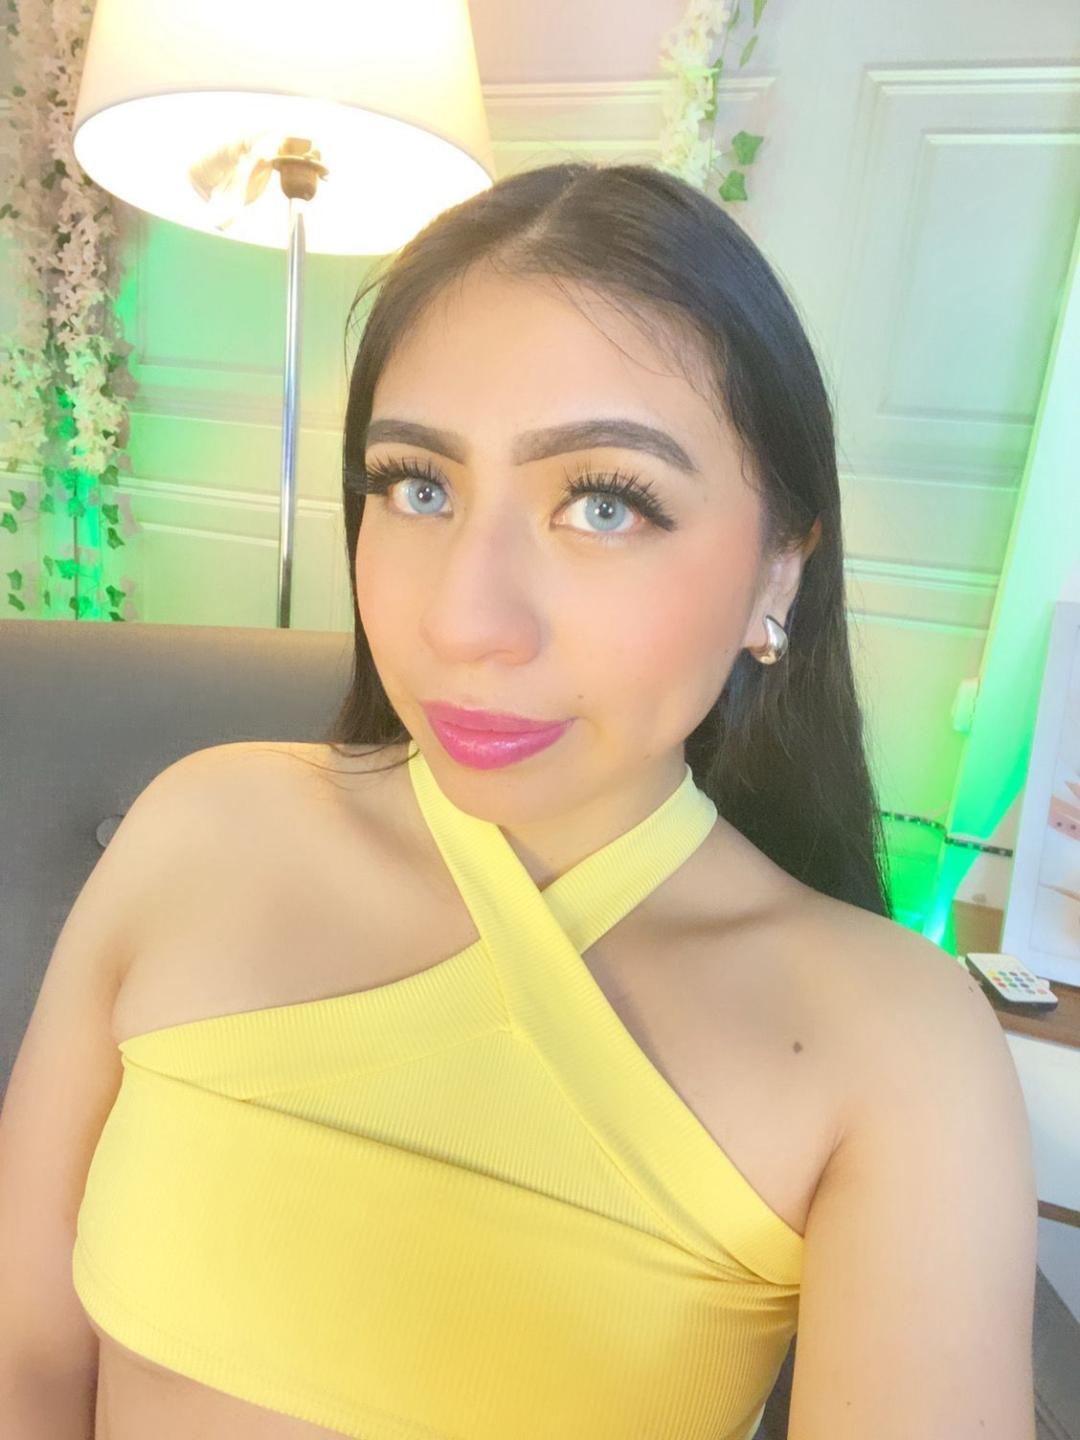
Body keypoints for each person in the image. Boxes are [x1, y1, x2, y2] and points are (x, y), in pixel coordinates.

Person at [3, 160, 1037, 1440]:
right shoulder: (199, 833)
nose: (464, 620)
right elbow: (23, 1366)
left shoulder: (892, 1043)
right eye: (418, 486)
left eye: (605, 504)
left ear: (780, 567)